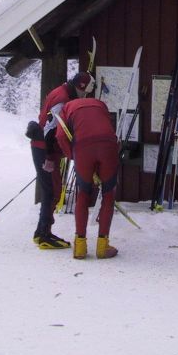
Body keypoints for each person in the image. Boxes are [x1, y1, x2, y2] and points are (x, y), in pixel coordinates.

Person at [29, 71, 95, 249]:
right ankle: (44, 235)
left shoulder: (62, 91)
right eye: (85, 92)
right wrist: (50, 157)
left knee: (51, 189)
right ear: (79, 87)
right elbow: (51, 129)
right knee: (52, 191)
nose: (85, 95)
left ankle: (42, 232)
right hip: (45, 148)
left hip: (43, 147)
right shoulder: (63, 99)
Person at [53, 95, 121, 260]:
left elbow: (61, 136)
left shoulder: (66, 109)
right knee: (108, 194)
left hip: (83, 147)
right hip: (108, 144)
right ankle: (103, 246)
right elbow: (105, 129)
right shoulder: (100, 104)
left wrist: (73, 156)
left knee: (82, 194)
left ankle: (80, 247)